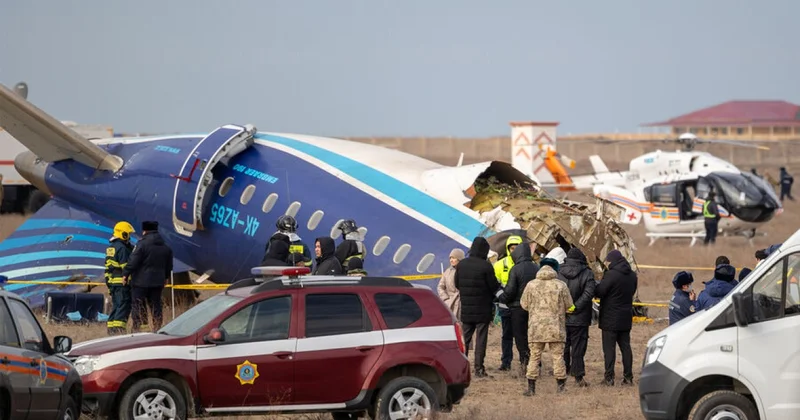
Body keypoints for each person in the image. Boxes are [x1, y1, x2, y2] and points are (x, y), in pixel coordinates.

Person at [520, 263, 574, 396]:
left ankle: (531, 388)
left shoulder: (531, 285)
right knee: (558, 357)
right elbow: (569, 305)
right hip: (556, 327)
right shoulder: (561, 285)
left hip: (536, 328)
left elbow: (524, 304)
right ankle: (560, 388)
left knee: (534, 356)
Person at [454, 236, 503, 378]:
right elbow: (493, 286)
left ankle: (461, 368)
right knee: (481, 339)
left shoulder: (462, 264)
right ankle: (479, 368)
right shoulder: (486, 266)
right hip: (483, 309)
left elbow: (457, 284)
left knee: (465, 339)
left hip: (467, 309)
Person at [595, 250, 638, 386]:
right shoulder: (632, 275)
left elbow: (600, 292)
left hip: (610, 317)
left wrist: (597, 284)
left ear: (612, 261)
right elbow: (632, 292)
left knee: (609, 349)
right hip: (625, 316)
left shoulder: (611, 275)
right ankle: (628, 377)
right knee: (626, 347)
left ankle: (609, 378)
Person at [123, 221, 173, 332]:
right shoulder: (165, 247)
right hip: (157, 283)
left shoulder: (141, 244)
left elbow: (133, 261)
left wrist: (126, 273)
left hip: (140, 283)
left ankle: (138, 328)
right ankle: (157, 328)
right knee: (156, 306)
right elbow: (169, 266)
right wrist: (165, 277)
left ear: (144, 231)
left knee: (138, 305)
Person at [498, 241, 538, 371]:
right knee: (533, 337)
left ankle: (525, 362)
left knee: (520, 337)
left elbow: (510, 291)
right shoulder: (536, 267)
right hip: (535, 309)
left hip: (517, 308)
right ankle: (536, 363)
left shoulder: (515, 269)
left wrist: (502, 298)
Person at [559, 247, 596, 387]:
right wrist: (576, 307)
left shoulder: (559, 272)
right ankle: (578, 376)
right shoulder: (587, 273)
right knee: (578, 347)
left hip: (562, 316)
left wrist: (565, 307)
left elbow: (556, 292)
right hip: (580, 318)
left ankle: (563, 372)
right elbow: (589, 293)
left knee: (564, 345)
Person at [492, 235, 523, 371]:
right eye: (512, 248)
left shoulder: (525, 265)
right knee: (507, 336)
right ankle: (506, 362)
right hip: (505, 306)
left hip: (521, 307)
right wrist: (501, 297)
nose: (514, 251)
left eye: (517, 248)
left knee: (522, 336)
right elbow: (495, 284)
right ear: (508, 249)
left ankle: (525, 360)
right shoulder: (499, 265)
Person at [105, 221, 136, 335]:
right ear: (123, 234)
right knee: (123, 306)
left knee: (116, 307)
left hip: (113, 283)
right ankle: (118, 331)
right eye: (128, 234)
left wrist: (109, 286)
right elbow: (126, 267)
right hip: (122, 283)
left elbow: (107, 269)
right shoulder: (122, 248)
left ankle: (111, 330)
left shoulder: (111, 247)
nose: (129, 237)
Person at [438, 248, 465, 320]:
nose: (451, 260)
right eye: (450, 258)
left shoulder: (466, 271)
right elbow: (440, 286)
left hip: (463, 305)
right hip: (451, 304)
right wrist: (446, 299)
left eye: (453, 258)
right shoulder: (447, 272)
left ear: (459, 259)